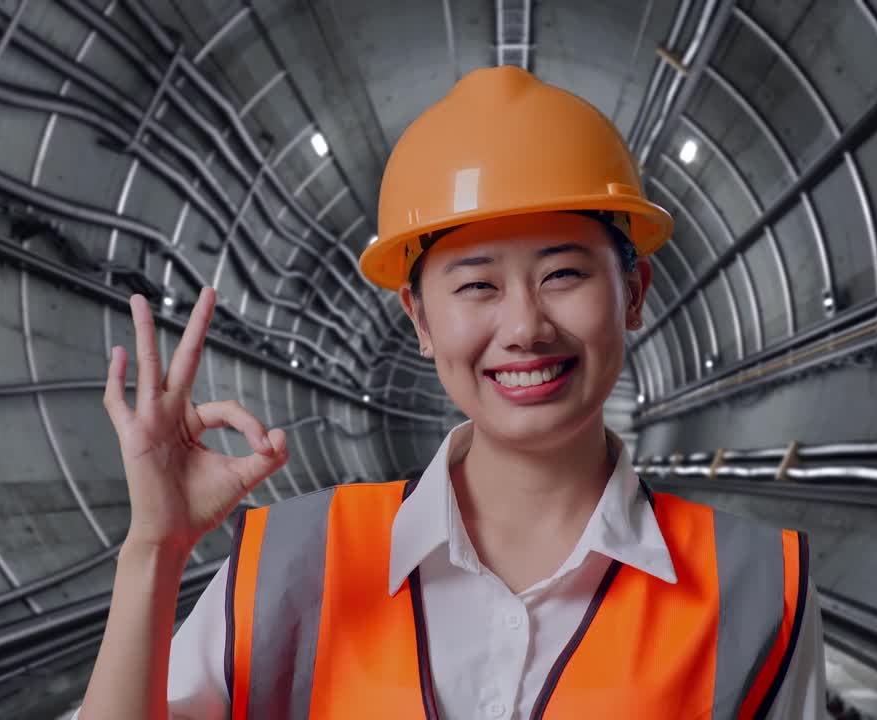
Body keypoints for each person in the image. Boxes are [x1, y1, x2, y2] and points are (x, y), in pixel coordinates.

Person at [74, 66, 825, 719]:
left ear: (633, 292)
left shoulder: (760, 589)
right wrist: (154, 551)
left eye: (564, 273)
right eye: (477, 285)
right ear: (420, 318)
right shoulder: (290, 563)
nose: (525, 326)